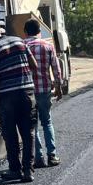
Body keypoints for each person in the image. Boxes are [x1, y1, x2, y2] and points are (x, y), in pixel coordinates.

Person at [0, 24, 41, 182]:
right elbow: (34, 65)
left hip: (7, 96)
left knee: (10, 134)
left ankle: (15, 170)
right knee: (28, 132)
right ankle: (28, 171)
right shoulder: (20, 42)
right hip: (27, 94)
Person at [23, 19, 63, 169]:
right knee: (47, 122)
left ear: (25, 32)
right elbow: (56, 69)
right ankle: (52, 155)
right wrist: (58, 87)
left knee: (32, 125)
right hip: (45, 89)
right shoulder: (48, 45)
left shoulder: (22, 46)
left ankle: (38, 157)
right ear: (39, 31)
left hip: (28, 92)